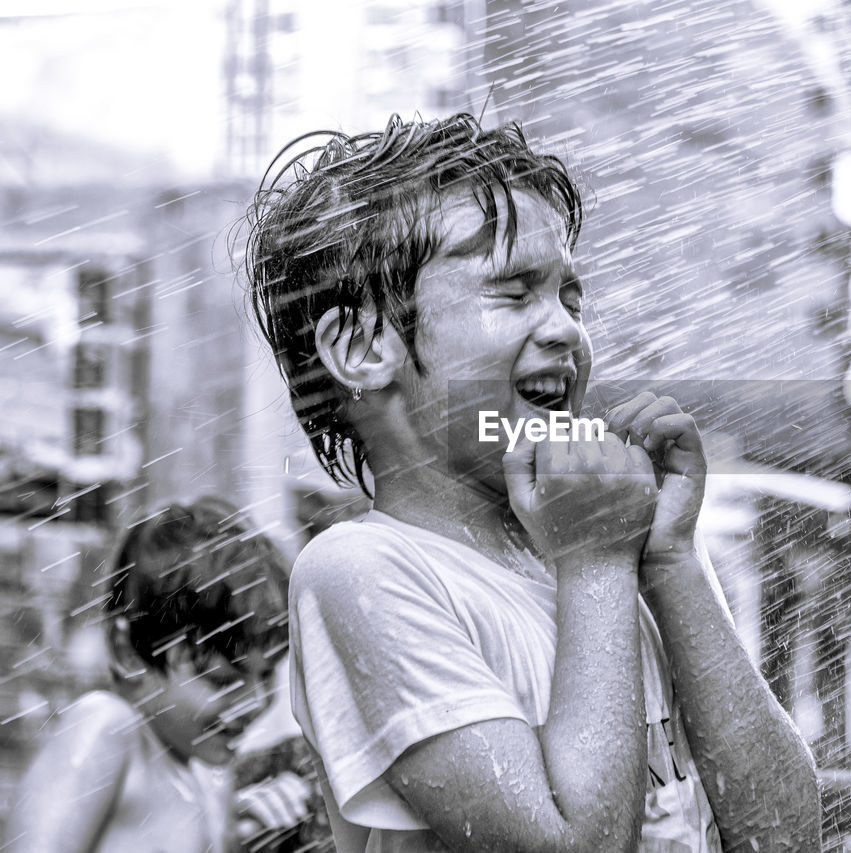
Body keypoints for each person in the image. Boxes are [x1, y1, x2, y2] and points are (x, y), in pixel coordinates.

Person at [243, 112, 821, 853]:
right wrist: (595, 559)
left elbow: (788, 839)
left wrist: (671, 561)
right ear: (361, 347)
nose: (565, 331)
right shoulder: (362, 571)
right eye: (513, 292)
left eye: (571, 298)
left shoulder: (610, 561)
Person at [2, 497, 296, 853]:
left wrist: (237, 835)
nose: (255, 702)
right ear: (127, 653)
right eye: (222, 680)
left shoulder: (211, 782)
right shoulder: (108, 731)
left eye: (266, 676)